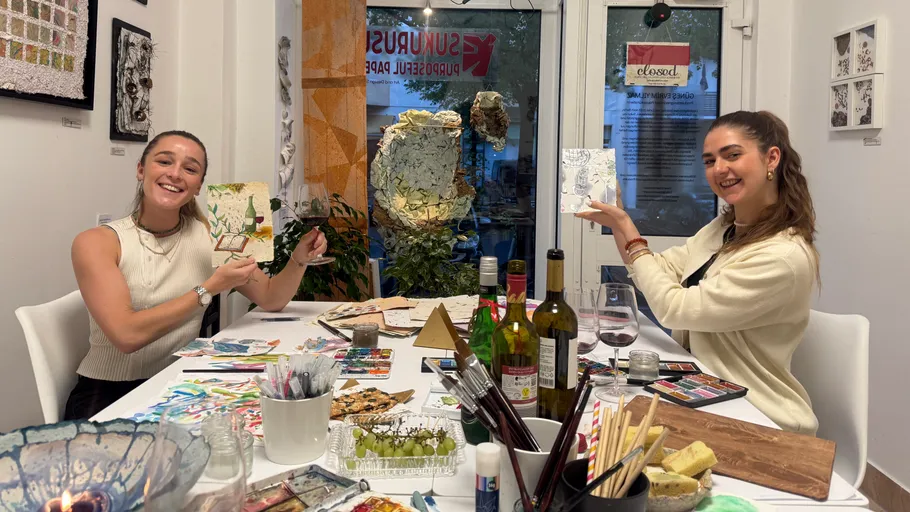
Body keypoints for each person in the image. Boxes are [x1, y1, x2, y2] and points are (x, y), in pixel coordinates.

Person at [578, 111, 819, 435]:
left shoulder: (784, 258)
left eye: (733, 155)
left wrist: (625, 227)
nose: (719, 169)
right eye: (709, 161)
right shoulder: (725, 228)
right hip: (704, 393)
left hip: (758, 417)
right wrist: (620, 222)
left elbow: (675, 309)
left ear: (771, 159)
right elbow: (658, 269)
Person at [64, 130, 328, 420]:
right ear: (141, 170)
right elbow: (127, 336)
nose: (175, 174)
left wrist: (298, 260)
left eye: (190, 169)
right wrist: (210, 288)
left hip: (180, 385)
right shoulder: (96, 242)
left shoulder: (211, 235)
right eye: (164, 162)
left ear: (199, 186)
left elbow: (270, 298)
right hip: (109, 394)